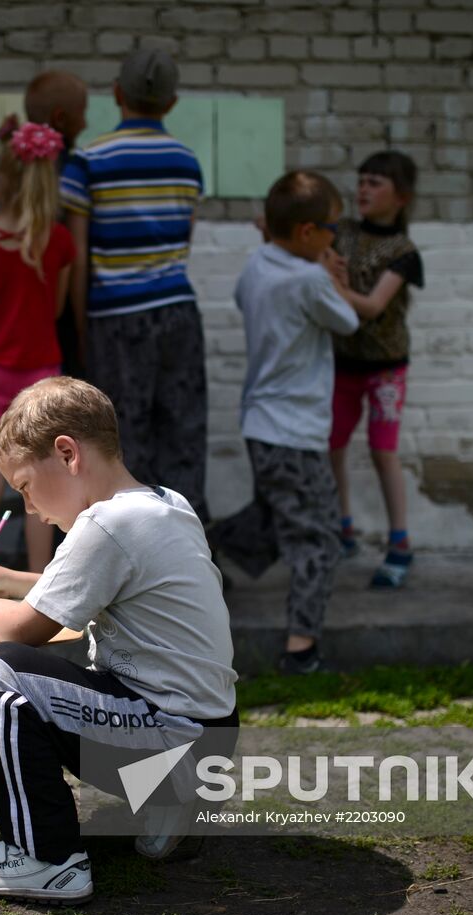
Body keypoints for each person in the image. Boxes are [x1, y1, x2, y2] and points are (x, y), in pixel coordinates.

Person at [0, 377, 238, 904]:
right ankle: (175, 804)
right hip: (211, 740)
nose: (30, 507)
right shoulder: (164, 502)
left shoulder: (106, 523)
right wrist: (12, 580)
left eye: (25, 486)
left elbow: (23, 629)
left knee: (2, 672)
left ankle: (46, 860)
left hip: (170, 743)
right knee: (34, 674)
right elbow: (100, 584)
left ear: (67, 454)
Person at [207, 171, 379, 675]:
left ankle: (200, 554)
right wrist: (333, 277)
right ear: (307, 232)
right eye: (332, 229)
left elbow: (246, 298)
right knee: (317, 536)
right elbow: (348, 321)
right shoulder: (309, 280)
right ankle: (301, 648)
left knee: (274, 516)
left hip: (263, 424)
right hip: (295, 432)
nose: (336, 238)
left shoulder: (257, 264)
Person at [59, 50, 210, 522]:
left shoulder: (88, 161)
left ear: (117, 94)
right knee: (183, 436)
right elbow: (183, 242)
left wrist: (81, 329)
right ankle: (188, 547)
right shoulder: (187, 162)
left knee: (120, 439)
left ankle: (129, 550)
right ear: (171, 103)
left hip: (115, 318)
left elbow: (78, 255)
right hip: (178, 313)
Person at [0, 122, 75, 573]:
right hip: (43, 373)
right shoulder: (59, 240)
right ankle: (39, 578)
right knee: (44, 483)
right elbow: (57, 308)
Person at [327, 151, 424, 589]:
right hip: (342, 362)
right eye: (362, 180)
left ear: (401, 197)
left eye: (376, 183)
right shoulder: (341, 231)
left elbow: (372, 306)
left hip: (385, 368)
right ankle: (342, 528)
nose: (364, 189)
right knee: (333, 445)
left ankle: (399, 542)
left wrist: (332, 282)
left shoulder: (403, 252)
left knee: (383, 450)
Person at [0, 71, 89, 377]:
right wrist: (83, 327)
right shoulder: (75, 172)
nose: (86, 124)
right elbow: (77, 259)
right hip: (54, 327)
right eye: (82, 114)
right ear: (60, 118)